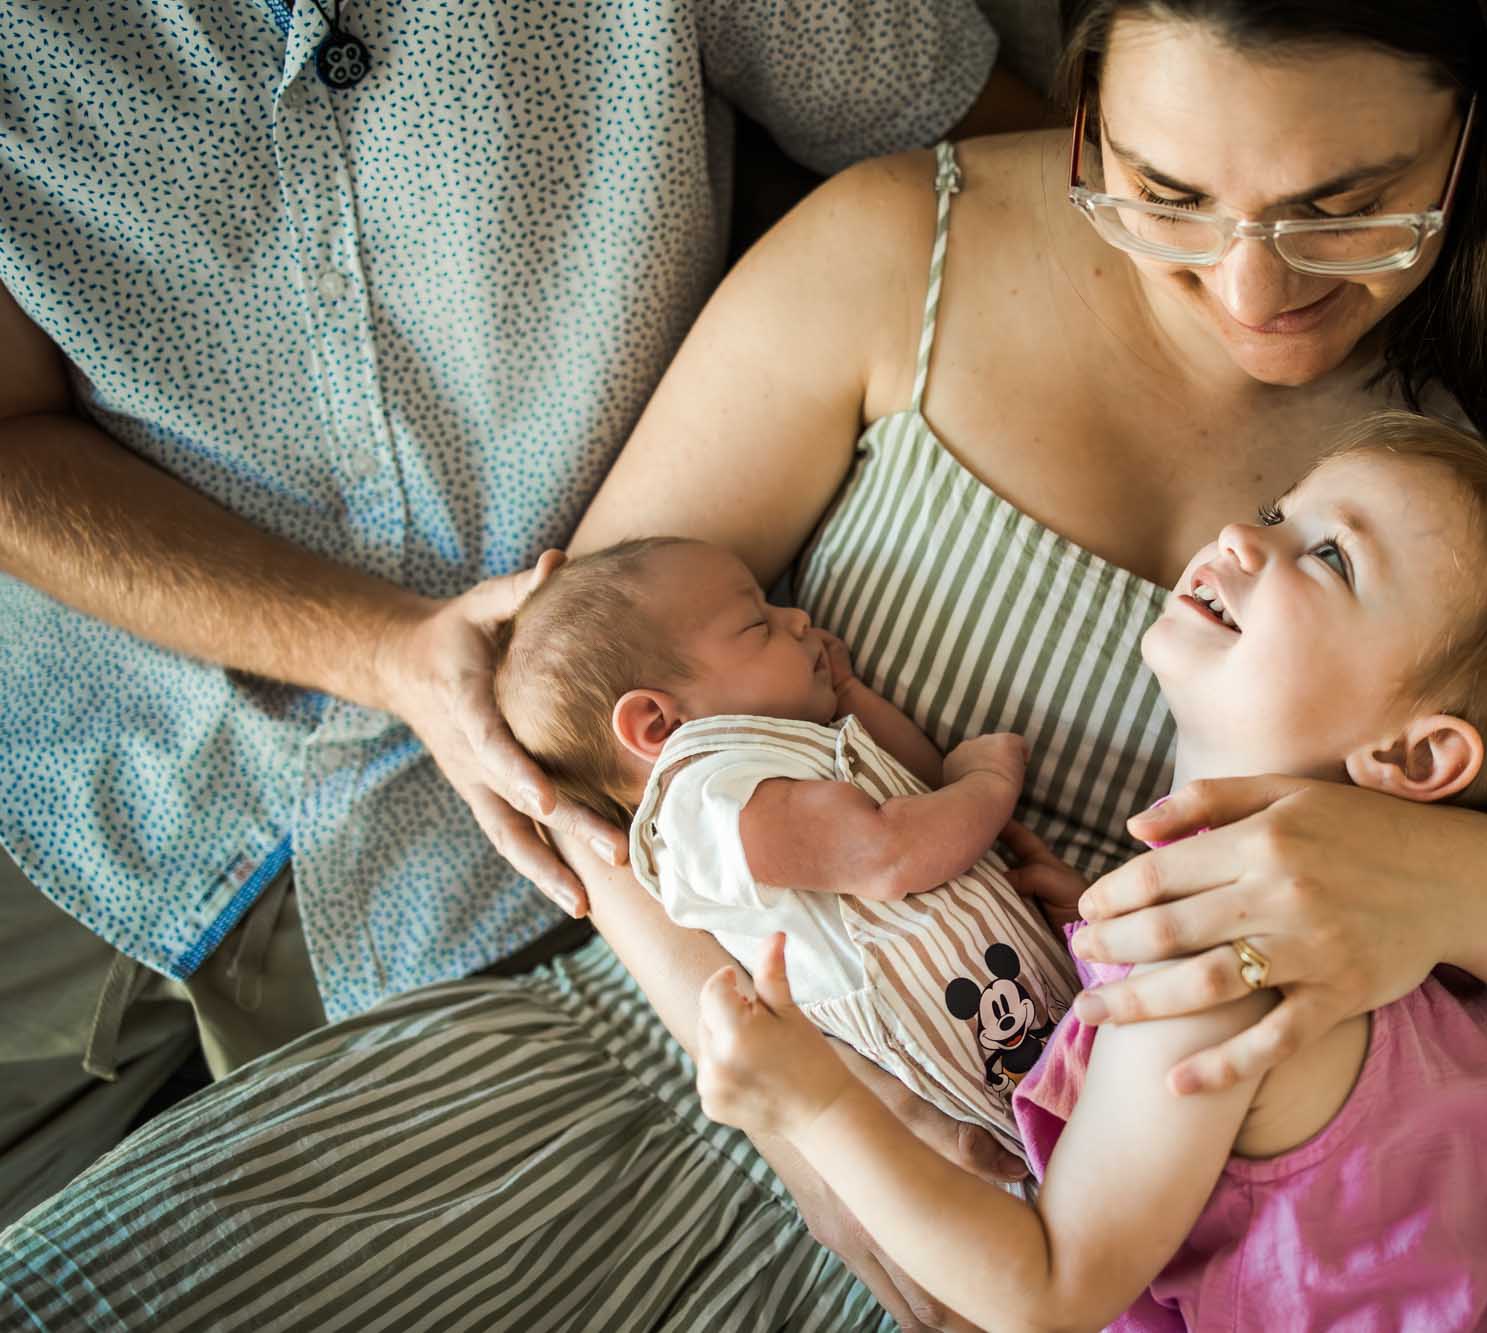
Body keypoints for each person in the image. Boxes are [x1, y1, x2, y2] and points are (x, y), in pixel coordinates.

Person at [0, 1, 1487, 1329]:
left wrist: (1452, 880)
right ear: (1085, 101)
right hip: (659, 1071)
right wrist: (758, 1055)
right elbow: (571, 735)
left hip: (1132, 1241)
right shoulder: (907, 244)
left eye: (1349, 201)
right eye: (1167, 191)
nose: (1251, 288)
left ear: (1478, 119)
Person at [0, 0, 1041, 1249]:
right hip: (85, 766)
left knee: (301, 1258)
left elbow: (1022, 170)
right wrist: (377, 648)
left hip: (492, 855)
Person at [695, 410, 1487, 1332]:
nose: (1237, 534)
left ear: (1412, 755)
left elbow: (1045, 1287)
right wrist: (1094, 942)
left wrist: (813, 1104)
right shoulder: (1390, 927)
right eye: (1275, 511)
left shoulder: (1218, 977)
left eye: (1328, 555)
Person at [494, 537, 1070, 1150]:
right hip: (971, 1066)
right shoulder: (706, 804)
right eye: (756, 623)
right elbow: (892, 852)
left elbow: (923, 796)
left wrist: (849, 696)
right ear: (657, 724)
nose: (797, 619)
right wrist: (989, 781)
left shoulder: (779, 758)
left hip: (1023, 1011)